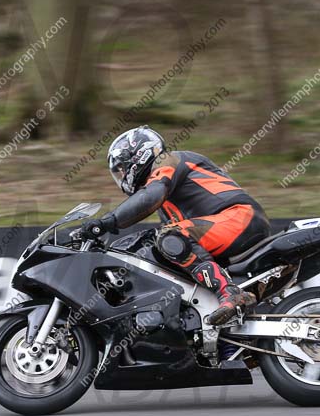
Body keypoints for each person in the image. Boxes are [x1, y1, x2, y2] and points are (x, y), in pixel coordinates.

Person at [81, 125, 270, 327]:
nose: (122, 176)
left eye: (122, 168)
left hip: (240, 218)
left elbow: (150, 196)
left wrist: (107, 222)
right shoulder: (164, 197)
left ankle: (231, 294)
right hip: (228, 226)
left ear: (139, 155)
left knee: (170, 236)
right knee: (167, 250)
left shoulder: (169, 161)